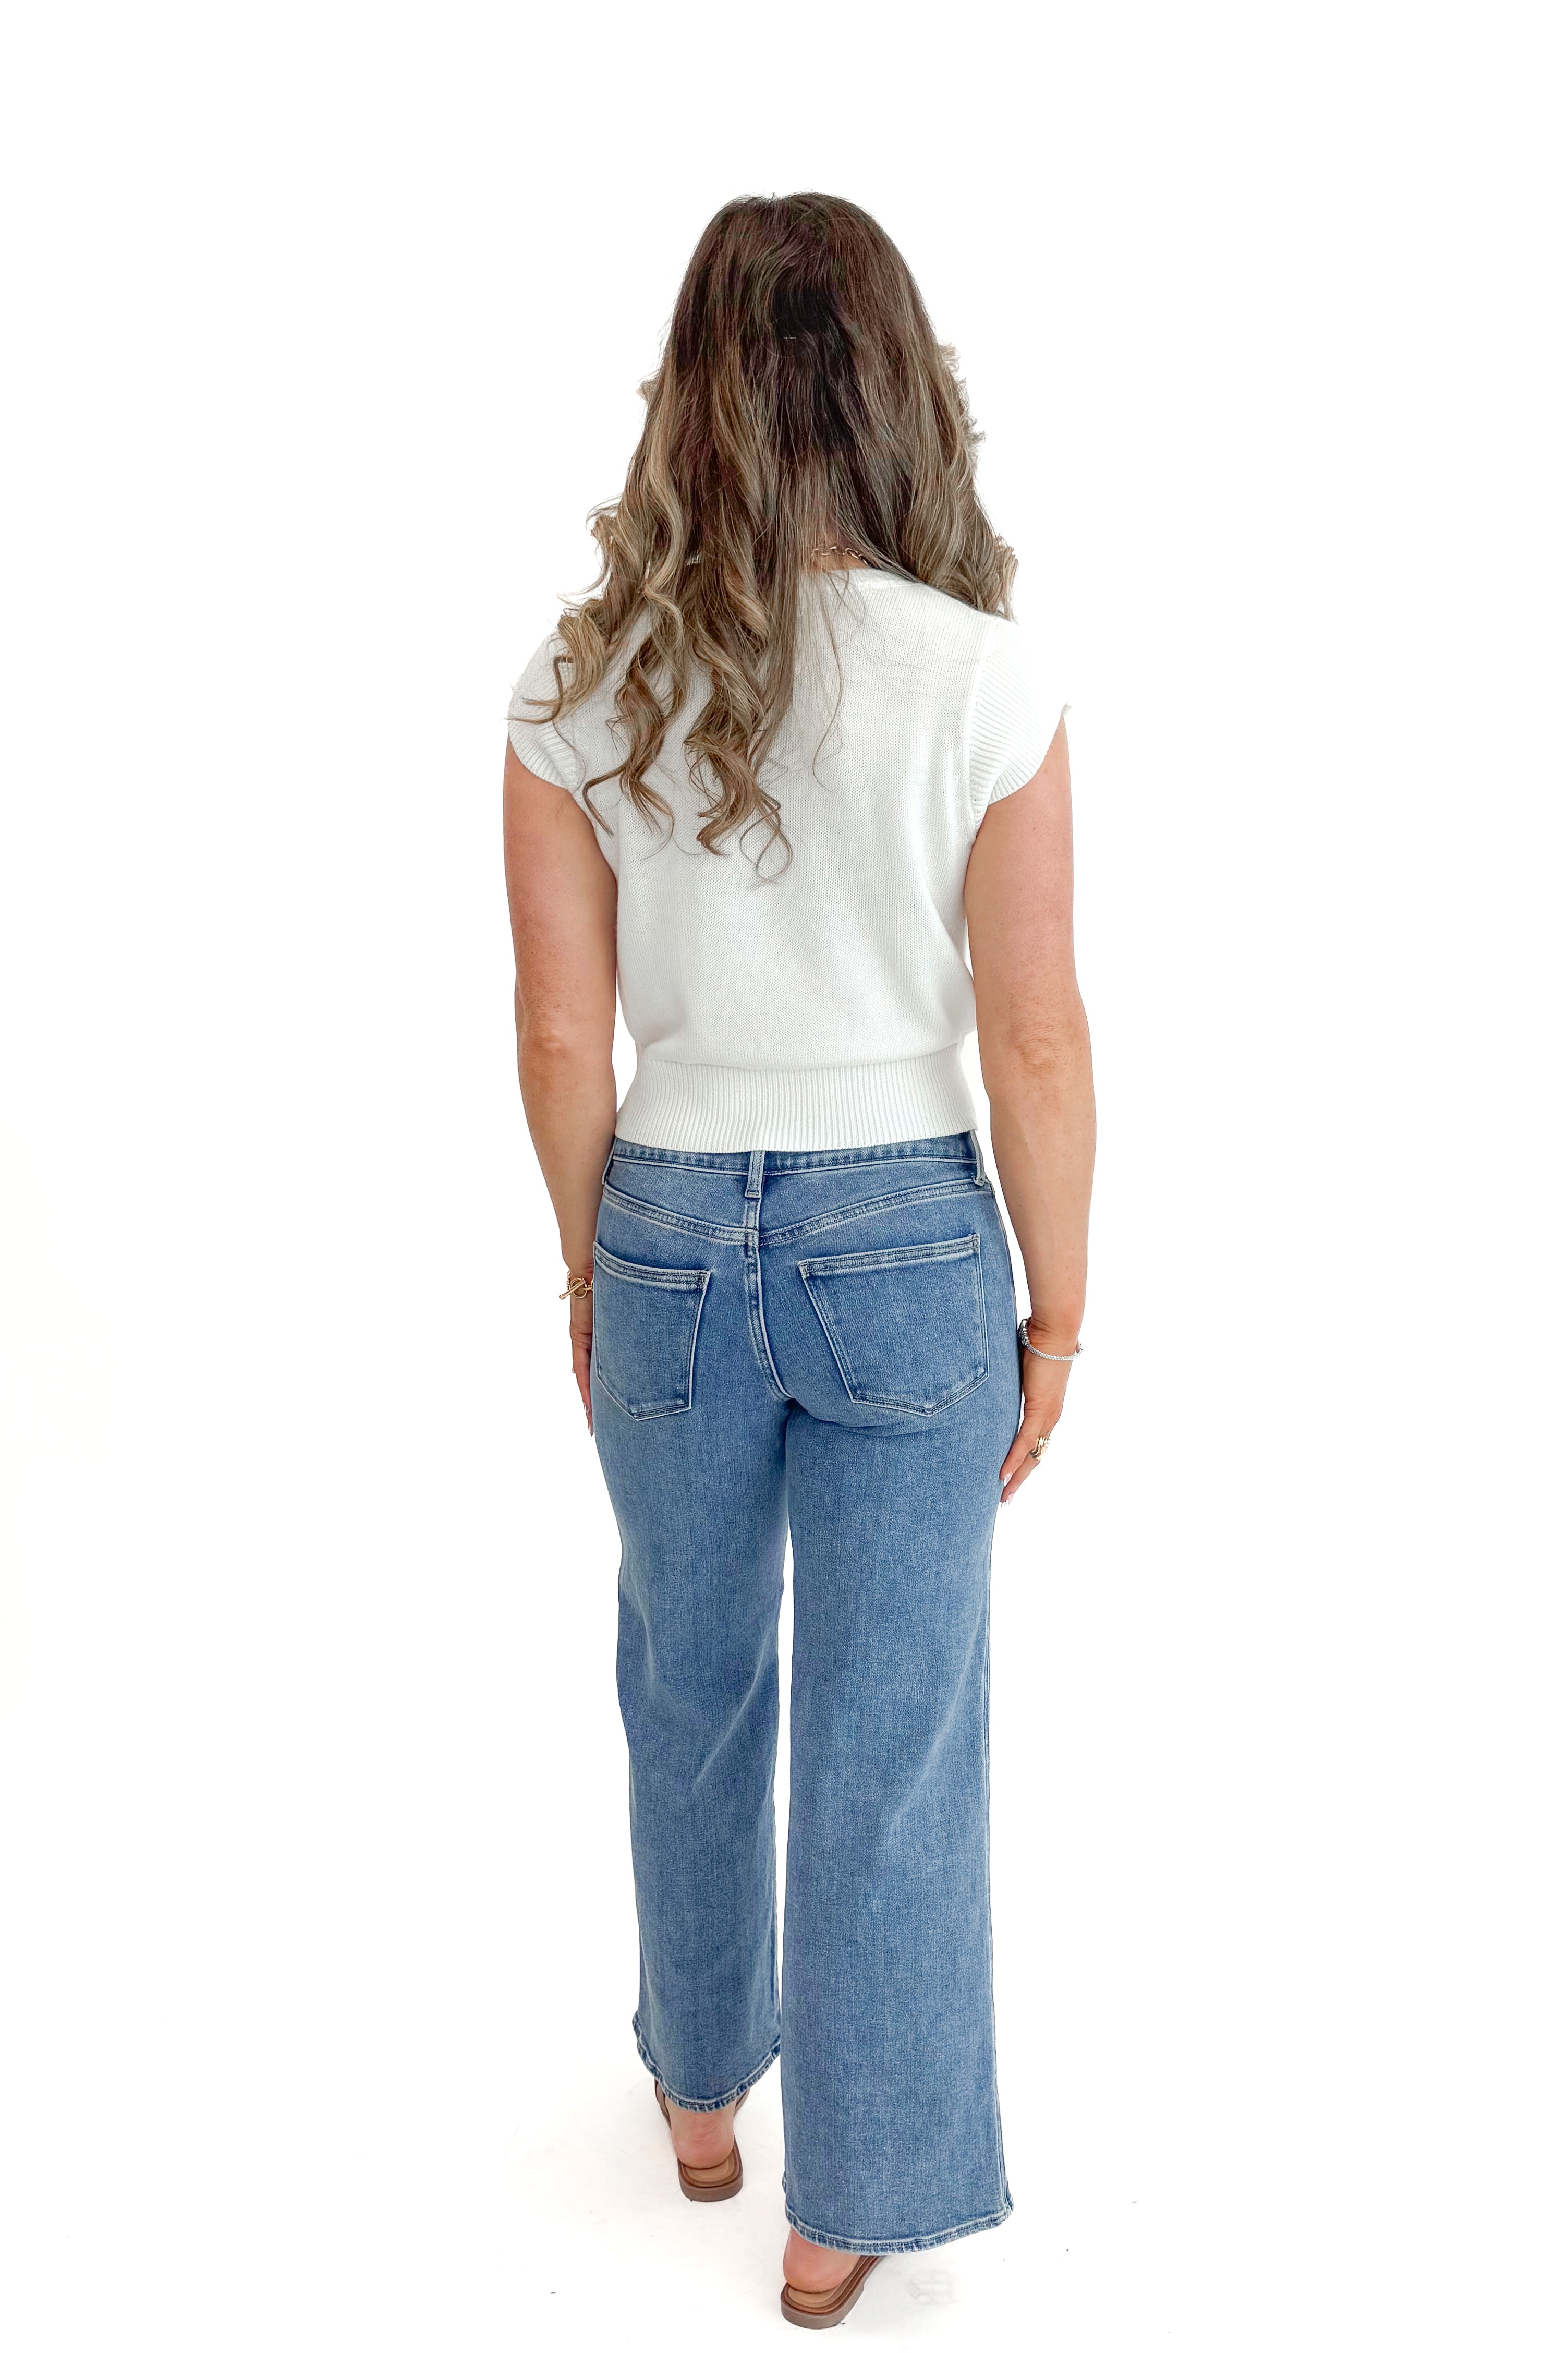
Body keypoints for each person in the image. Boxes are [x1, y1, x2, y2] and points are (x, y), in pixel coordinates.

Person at [501, 191, 1095, 2329]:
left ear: (693, 399)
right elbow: (1028, 1032)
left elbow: (563, 1035)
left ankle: (693, 2092)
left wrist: (592, 1272)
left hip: (663, 1222)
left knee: (687, 1674)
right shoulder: (982, 680)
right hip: (903, 1238)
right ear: (899, 393)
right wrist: (1060, 1304)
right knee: (891, 1724)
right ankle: (846, 2205)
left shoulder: (579, 687)